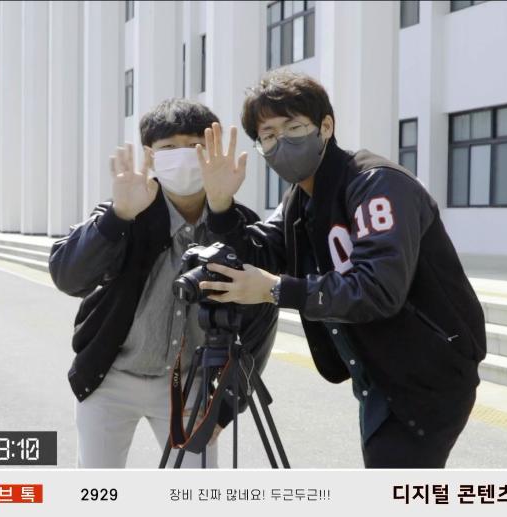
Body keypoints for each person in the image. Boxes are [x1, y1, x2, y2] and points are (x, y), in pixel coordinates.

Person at [195, 70, 486, 468]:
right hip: (380, 371)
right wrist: (220, 205)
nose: (282, 142)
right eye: (269, 135)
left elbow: (378, 289)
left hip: (427, 373)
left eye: (294, 127)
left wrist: (277, 289)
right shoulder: (300, 200)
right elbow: (259, 255)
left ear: (326, 127)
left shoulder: (376, 184)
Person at [48, 98, 277, 468]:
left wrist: (225, 405)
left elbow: (261, 317)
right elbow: (68, 275)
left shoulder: (239, 225)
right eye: (169, 147)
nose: (183, 156)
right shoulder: (129, 206)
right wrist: (118, 216)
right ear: (150, 156)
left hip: (190, 385)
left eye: (195, 145)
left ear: (214, 151)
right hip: (109, 379)